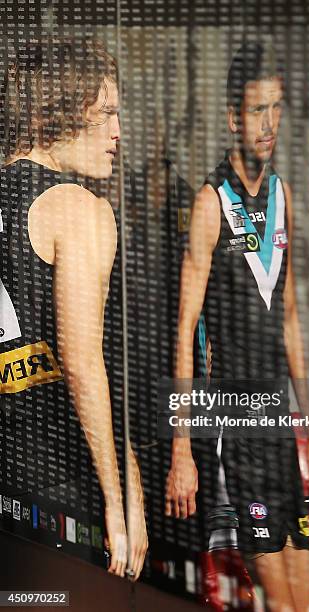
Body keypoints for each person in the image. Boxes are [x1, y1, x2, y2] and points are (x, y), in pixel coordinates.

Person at [165, 42, 309, 611]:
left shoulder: (283, 197)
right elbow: (183, 331)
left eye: (277, 108)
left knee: (308, 605)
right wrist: (182, 449)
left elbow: (293, 320)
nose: (270, 124)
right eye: (259, 110)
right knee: (280, 605)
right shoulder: (211, 204)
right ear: (234, 116)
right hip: (235, 429)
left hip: (281, 427)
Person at [0, 38, 147, 579]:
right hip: (61, 484)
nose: (118, 133)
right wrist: (120, 497)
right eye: (106, 112)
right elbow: (83, 363)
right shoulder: (78, 208)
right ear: (55, 112)